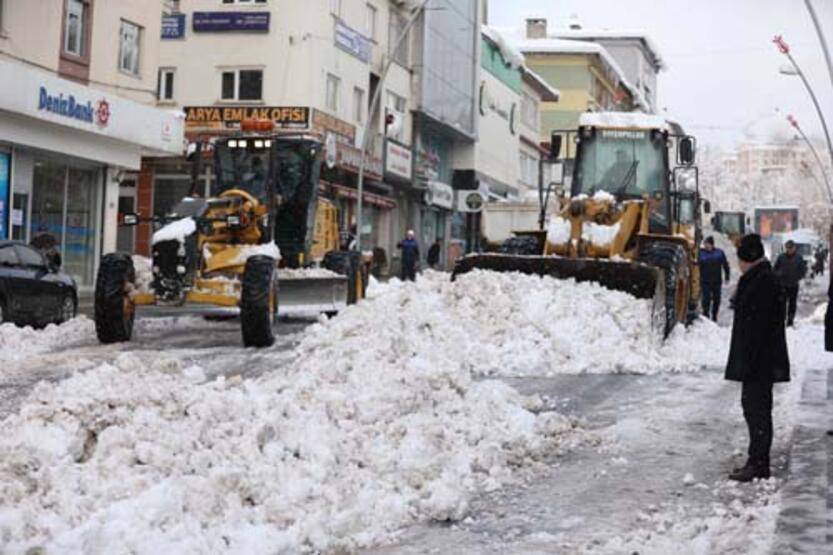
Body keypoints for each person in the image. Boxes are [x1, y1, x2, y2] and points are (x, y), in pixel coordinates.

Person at [725, 234, 789, 482]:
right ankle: (757, 460)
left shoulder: (763, 281)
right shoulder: (759, 278)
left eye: (740, 259)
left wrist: (749, 361)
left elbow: (759, 326)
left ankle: (759, 464)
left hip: (759, 361)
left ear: (749, 258)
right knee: (755, 410)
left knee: (758, 411)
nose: (738, 264)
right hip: (758, 359)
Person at [774, 240, 807, 326]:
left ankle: (790, 320)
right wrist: (779, 273)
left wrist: (797, 276)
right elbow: (775, 269)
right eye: (787, 248)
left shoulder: (799, 258)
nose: (789, 250)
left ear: (794, 248)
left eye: (791, 248)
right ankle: (781, 319)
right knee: (782, 304)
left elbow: (803, 270)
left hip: (793, 285)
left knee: (792, 303)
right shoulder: (781, 257)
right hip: (783, 285)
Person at [698, 236, 730, 321]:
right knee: (706, 299)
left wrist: (727, 276)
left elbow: (725, 265)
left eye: (707, 244)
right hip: (705, 281)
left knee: (717, 300)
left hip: (716, 281)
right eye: (704, 244)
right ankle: (706, 316)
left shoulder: (719, 253)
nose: (705, 245)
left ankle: (714, 316)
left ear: (711, 244)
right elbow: (697, 266)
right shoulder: (701, 253)